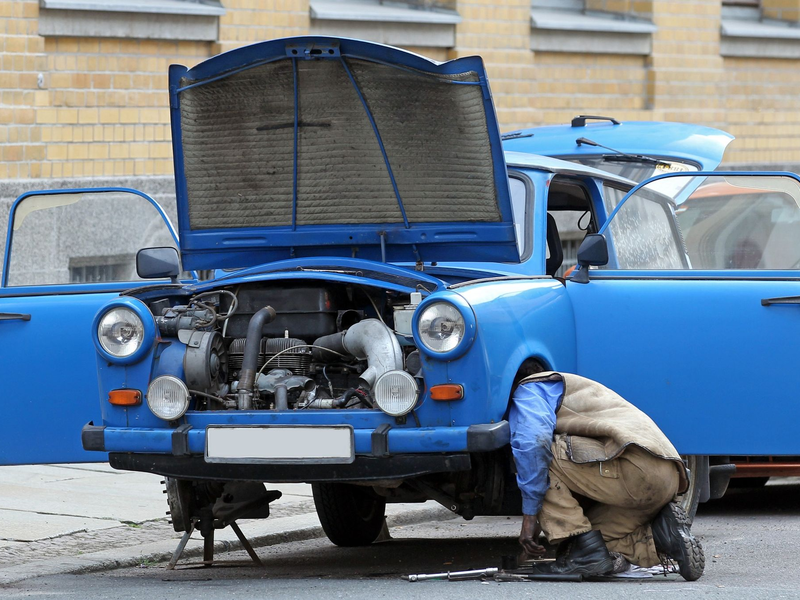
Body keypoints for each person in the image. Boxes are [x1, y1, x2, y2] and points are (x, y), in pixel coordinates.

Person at [509, 371, 704, 581]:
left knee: (535, 459)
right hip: (669, 476)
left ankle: (586, 554)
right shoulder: (579, 389)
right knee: (587, 543)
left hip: (636, 467)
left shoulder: (529, 391)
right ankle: (661, 538)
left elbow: (533, 446)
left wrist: (530, 519)